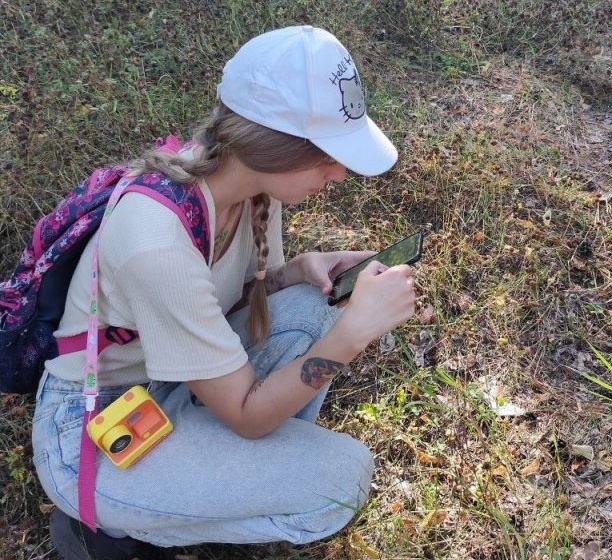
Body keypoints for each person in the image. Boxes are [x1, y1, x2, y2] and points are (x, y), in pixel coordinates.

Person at [32, 25, 416, 560]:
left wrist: (300, 269)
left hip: (170, 378)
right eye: (327, 154)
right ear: (271, 144)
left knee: (311, 306)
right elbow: (246, 413)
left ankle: (220, 478)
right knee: (339, 481)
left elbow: (226, 301)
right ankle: (112, 528)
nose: (340, 173)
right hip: (97, 426)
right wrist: (350, 338)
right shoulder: (156, 243)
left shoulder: (250, 186)